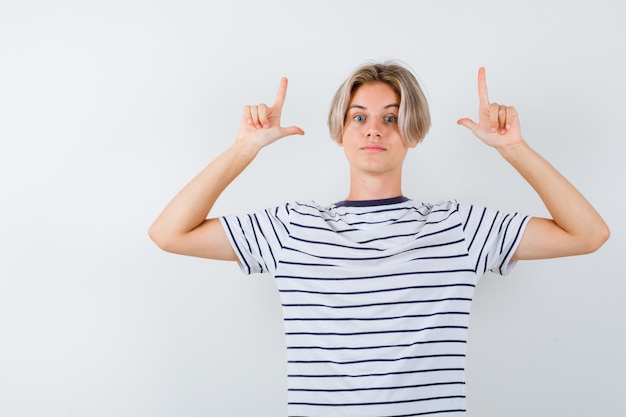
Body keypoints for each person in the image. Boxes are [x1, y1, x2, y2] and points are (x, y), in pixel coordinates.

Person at [149, 61, 609, 417]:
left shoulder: (460, 228)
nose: (374, 128)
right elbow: (169, 233)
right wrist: (243, 148)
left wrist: (514, 148)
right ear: (340, 130)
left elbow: (588, 234)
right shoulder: (290, 228)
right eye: (359, 117)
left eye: (391, 118)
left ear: (413, 131)